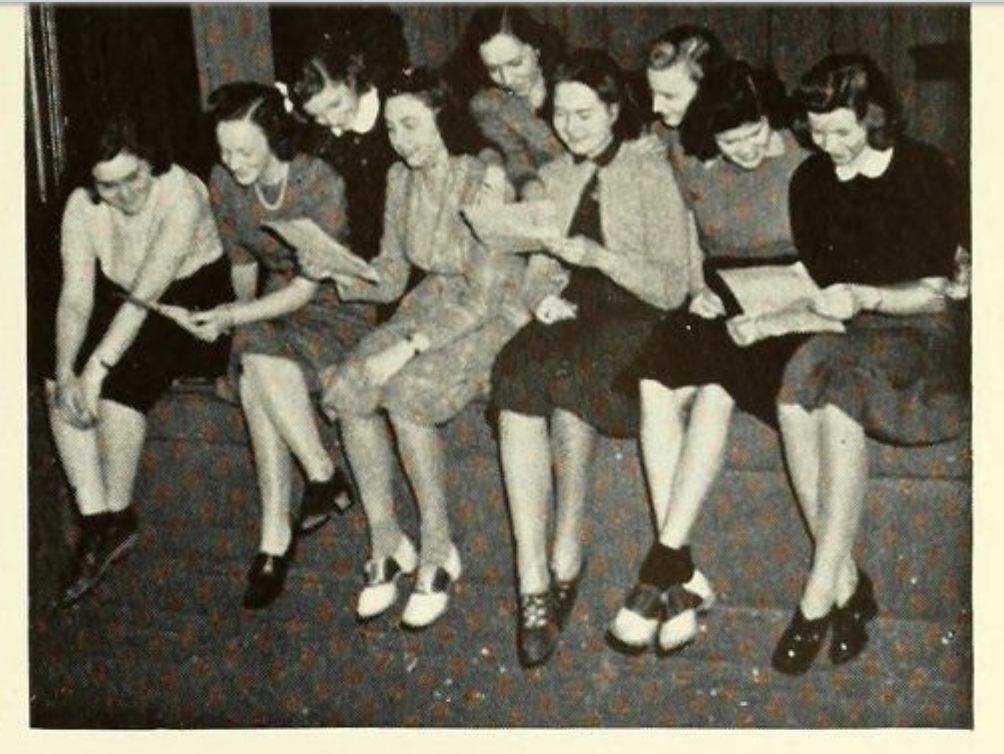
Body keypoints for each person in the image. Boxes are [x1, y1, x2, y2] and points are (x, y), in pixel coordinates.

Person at [737, 55, 966, 674]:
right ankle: (846, 583)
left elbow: (945, 289)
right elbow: (817, 279)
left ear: (877, 115)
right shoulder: (809, 181)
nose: (827, 146)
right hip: (847, 327)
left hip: (920, 330)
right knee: (793, 387)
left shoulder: (924, 170)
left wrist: (870, 296)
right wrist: (768, 315)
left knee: (838, 395)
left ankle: (817, 597)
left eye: (842, 131)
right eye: (815, 133)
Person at [490, 49, 691, 667]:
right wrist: (541, 297)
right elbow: (541, 267)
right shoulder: (554, 174)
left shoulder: (648, 168)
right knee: (515, 373)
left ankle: (567, 553)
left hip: (636, 314)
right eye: (561, 114)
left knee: (571, 375)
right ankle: (532, 577)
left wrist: (597, 256)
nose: (571, 127)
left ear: (613, 108)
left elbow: (671, 286)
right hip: (575, 309)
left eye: (585, 113)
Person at [309, 68, 528, 630]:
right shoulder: (399, 180)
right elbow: (389, 275)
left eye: (411, 125)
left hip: (489, 311)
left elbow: (482, 298)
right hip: (430, 302)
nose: (399, 140)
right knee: (345, 385)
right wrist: (336, 272)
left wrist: (405, 348)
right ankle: (386, 538)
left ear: (443, 121)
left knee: (406, 393)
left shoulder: (481, 179)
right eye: (391, 128)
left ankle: (437, 548)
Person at [606, 61, 813, 654]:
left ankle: (663, 563)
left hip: (783, 305)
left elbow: (825, 268)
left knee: (719, 391)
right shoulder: (692, 157)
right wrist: (700, 282)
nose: (747, 149)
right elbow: (697, 236)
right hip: (720, 295)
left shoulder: (804, 159)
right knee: (654, 378)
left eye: (756, 134)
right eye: (731, 141)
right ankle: (683, 574)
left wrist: (763, 303)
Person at [189, 82, 374, 609]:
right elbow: (243, 265)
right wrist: (234, 331)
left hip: (338, 306)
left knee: (255, 352)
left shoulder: (318, 180)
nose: (232, 162)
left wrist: (233, 319)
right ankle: (318, 482)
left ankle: (281, 529)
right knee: (251, 361)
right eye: (224, 150)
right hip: (272, 308)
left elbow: (307, 287)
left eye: (245, 151)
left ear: (275, 138)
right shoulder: (223, 182)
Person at [48, 110, 232, 607]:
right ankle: (98, 523)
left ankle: (118, 509)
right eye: (108, 187)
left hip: (192, 302)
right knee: (56, 379)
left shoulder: (181, 191)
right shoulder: (81, 207)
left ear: (151, 162)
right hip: (130, 300)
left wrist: (97, 369)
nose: (126, 196)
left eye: (133, 179)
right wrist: (67, 370)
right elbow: (76, 297)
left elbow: (148, 292)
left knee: (117, 382)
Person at [454, 5, 566, 199]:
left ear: (536, 48)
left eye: (515, 63)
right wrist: (529, 186)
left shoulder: (574, 81)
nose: (506, 79)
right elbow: (515, 158)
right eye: (493, 69)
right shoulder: (490, 104)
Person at [643, 25, 730, 166]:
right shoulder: (660, 135)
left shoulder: (750, 138)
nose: (655, 107)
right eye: (652, 92)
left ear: (707, 91)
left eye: (669, 96)